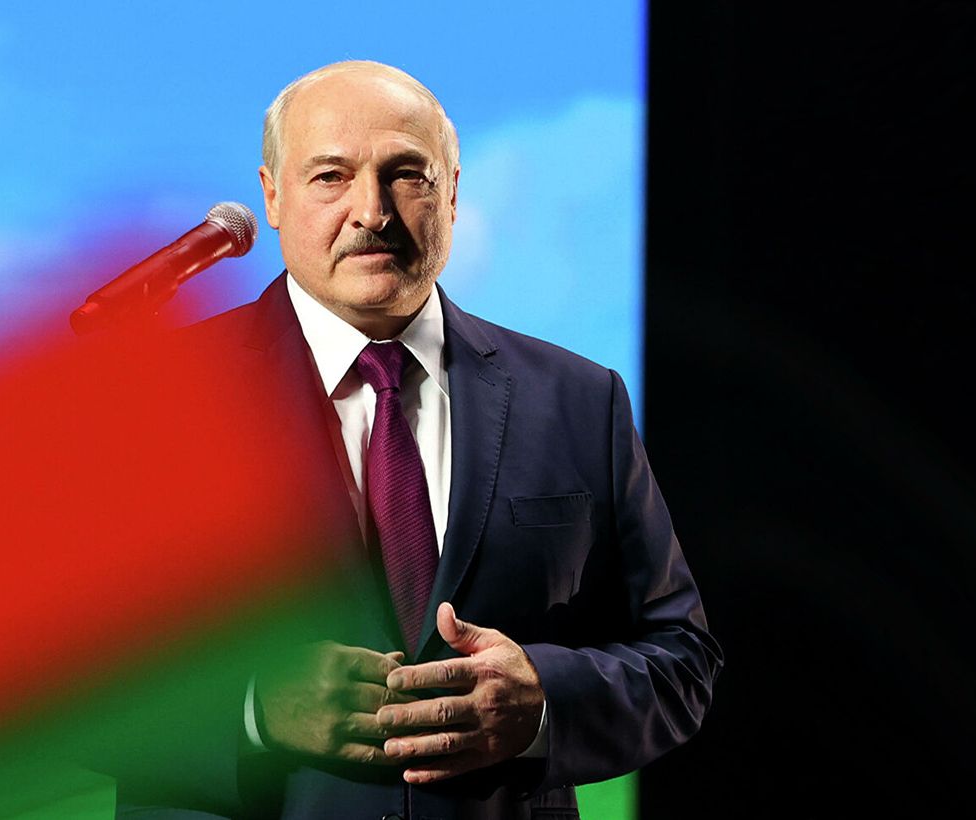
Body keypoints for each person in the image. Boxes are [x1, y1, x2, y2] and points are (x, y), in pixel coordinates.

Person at [116, 60, 721, 820]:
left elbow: (681, 659)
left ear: (453, 192)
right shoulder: (152, 403)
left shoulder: (580, 399)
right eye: (331, 177)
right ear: (271, 196)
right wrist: (254, 708)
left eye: (406, 174)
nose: (371, 211)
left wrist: (541, 702)